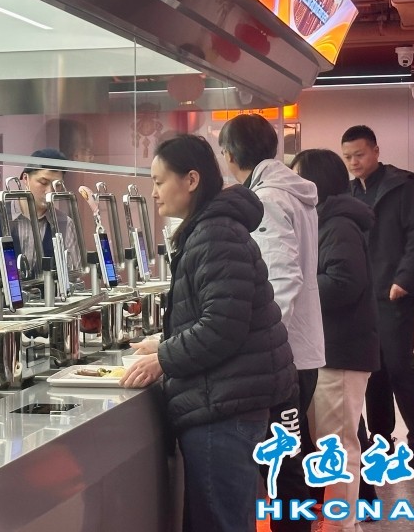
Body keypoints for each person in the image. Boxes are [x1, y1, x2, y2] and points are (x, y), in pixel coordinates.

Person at [121, 134, 296, 532]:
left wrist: (162, 359)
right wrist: (164, 341)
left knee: (220, 521)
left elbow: (222, 327)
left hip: (224, 407)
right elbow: (218, 314)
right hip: (222, 397)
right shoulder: (210, 230)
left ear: (191, 180)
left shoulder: (215, 234)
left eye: (159, 181)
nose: (154, 193)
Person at [218, 113, 324, 532]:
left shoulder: (268, 199)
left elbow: (281, 278)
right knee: (287, 463)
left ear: (229, 155)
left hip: (284, 356)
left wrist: (261, 341)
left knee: (283, 468)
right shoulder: (290, 192)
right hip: (297, 350)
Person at [291, 149, 380, 531]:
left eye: (296, 177)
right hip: (330, 349)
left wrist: (299, 287)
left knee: (338, 446)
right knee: (331, 442)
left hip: (341, 351)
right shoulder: (325, 221)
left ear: (315, 181)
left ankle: (341, 525)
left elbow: (344, 282)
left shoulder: (338, 224)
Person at [341, 125, 414, 471]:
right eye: (348, 157)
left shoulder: (403, 187)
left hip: (394, 291)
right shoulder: (349, 192)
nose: (354, 162)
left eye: (359, 155)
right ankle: (381, 440)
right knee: (373, 369)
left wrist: (403, 279)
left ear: (376, 151)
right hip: (363, 294)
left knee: (398, 366)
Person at [0, 148, 82, 286]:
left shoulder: (64, 224)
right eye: (43, 182)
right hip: (0, 300)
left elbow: (74, 281)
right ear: (26, 179)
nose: (50, 191)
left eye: (57, 185)